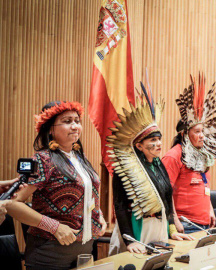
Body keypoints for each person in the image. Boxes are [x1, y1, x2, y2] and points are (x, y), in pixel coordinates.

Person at [6, 101, 107, 270]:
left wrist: (99, 215)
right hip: (50, 253)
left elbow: (87, 193)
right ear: (50, 129)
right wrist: (55, 227)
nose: (75, 126)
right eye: (67, 121)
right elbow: (12, 204)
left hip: (85, 249)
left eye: (77, 121)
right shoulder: (43, 159)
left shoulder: (79, 158)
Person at [107, 87, 193, 255]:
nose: (159, 143)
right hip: (137, 226)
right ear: (139, 145)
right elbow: (120, 206)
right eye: (153, 140)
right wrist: (129, 240)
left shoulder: (158, 164)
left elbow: (166, 200)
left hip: (159, 226)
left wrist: (172, 230)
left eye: (159, 139)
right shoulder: (124, 168)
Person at [162, 74, 216, 234]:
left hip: (203, 223)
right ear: (185, 134)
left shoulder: (203, 155)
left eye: (204, 131)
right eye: (197, 131)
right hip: (185, 224)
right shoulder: (173, 156)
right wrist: (173, 220)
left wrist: (210, 209)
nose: (202, 135)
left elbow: (203, 186)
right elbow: (165, 191)